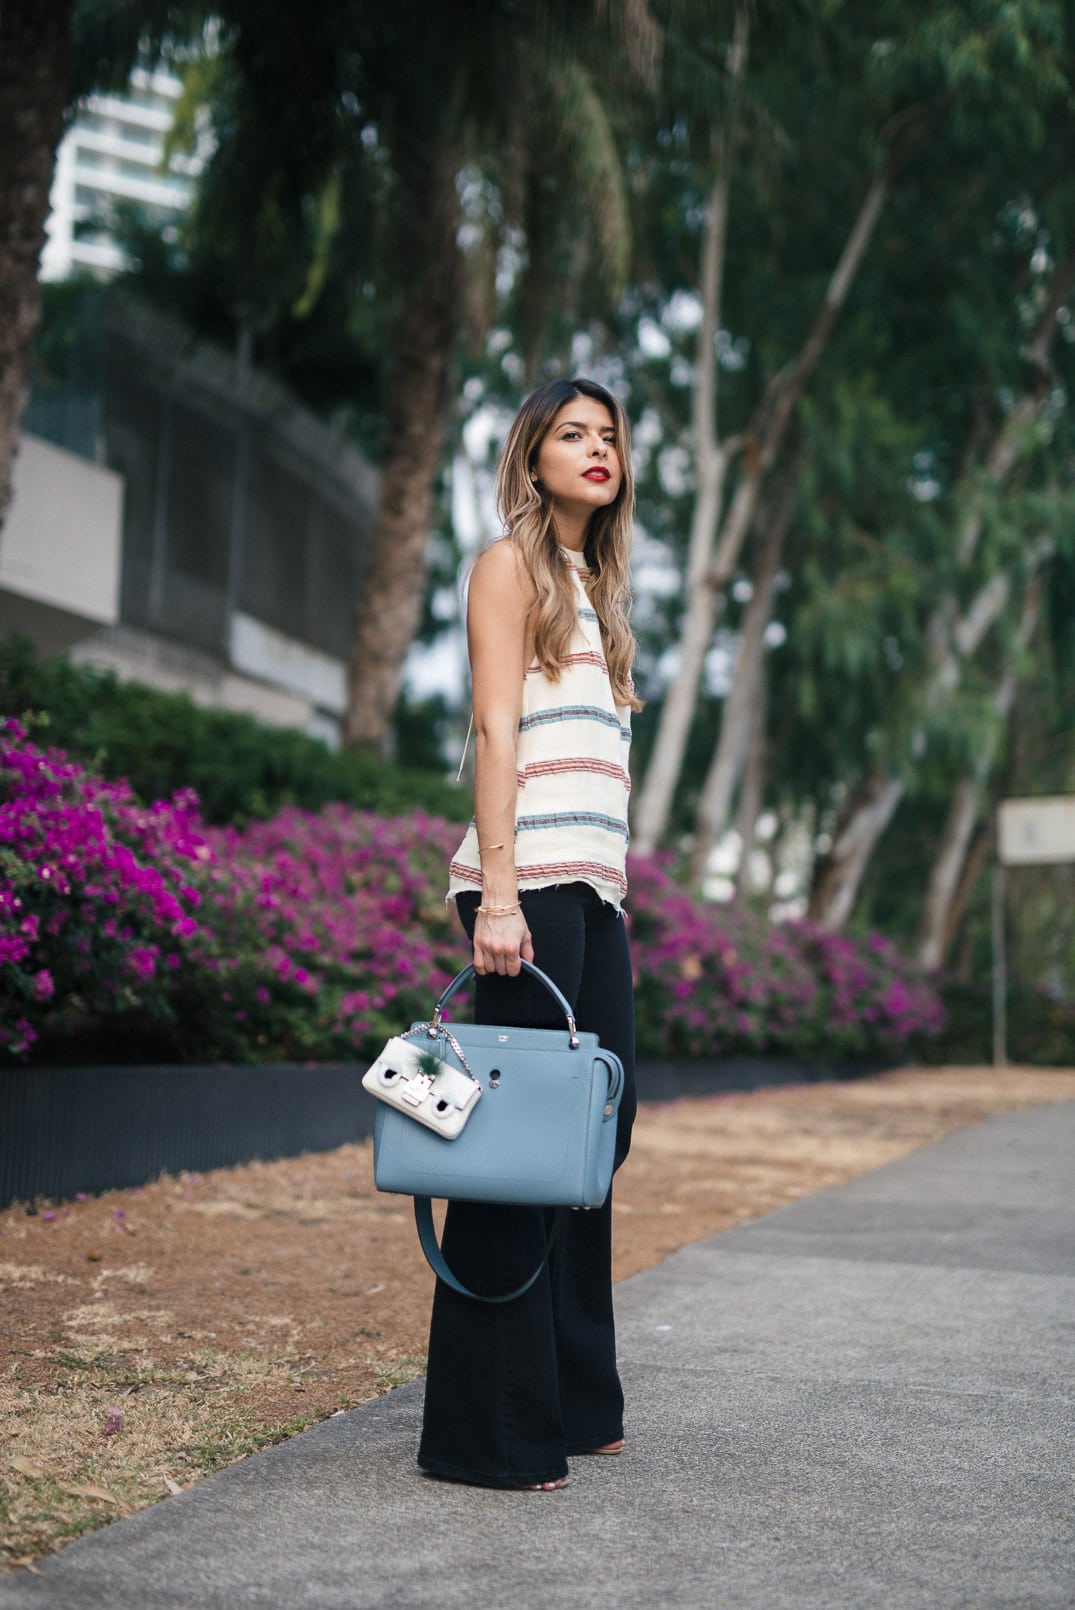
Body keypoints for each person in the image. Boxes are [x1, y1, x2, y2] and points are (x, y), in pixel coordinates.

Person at [417, 376, 641, 1491]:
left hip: (591, 889)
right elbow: (496, 731)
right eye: (573, 432)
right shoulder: (507, 566)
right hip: (526, 886)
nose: (596, 447)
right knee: (512, 1157)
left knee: (597, 1134)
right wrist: (497, 894)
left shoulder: (592, 583)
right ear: (532, 453)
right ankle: (485, 1430)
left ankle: (572, 1390)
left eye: (609, 434)